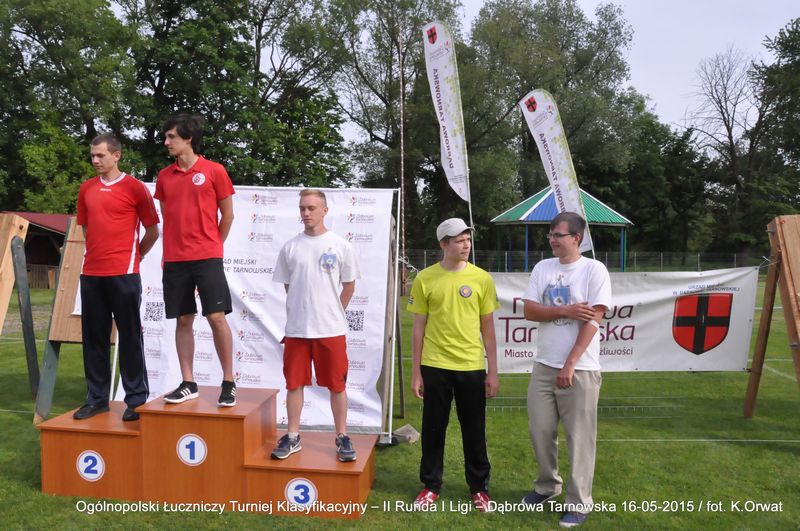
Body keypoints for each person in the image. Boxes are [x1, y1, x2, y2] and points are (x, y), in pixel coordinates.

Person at [521, 211, 612, 528]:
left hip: (580, 369)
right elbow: (530, 311)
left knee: (580, 438)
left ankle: (579, 502)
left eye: (557, 235)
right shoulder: (543, 268)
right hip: (544, 365)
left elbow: (593, 320)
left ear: (576, 238)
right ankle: (547, 486)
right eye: (550, 234)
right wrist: (565, 310)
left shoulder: (594, 270)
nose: (552, 240)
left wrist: (570, 363)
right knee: (540, 430)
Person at [407, 218, 500, 513]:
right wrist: (416, 372)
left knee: (474, 430)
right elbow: (418, 329)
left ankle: (479, 489)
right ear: (443, 244)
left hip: (471, 366)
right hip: (435, 365)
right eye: (459, 240)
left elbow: (488, 329)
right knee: (433, 429)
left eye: (467, 239)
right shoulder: (425, 278)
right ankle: (431, 485)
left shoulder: (482, 279)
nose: (466, 245)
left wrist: (493, 371)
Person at [74, 133, 160, 422]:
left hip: (124, 274)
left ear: (116, 155)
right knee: (94, 339)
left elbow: (152, 231)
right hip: (91, 274)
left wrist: (136, 256)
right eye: (92, 155)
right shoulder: (86, 189)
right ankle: (97, 399)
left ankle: (135, 400)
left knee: (130, 337)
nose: (95, 160)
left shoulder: (135, 188)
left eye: (100, 155)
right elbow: (86, 229)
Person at [270, 189, 360, 462]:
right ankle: (293, 436)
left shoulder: (340, 245)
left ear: (324, 211)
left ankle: (342, 436)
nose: (306, 213)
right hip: (297, 330)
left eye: (311, 208)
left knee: (337, 386)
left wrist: (333, 312)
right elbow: (289, 285)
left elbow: (349, 285)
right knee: (294, 384)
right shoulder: (290, 247)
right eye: (302, 208)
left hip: (331, 330)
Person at [155, 113, 236, 407]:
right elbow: (168, 216)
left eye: (172, 137)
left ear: (188, 138)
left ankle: (229, 381)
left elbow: (228, 215)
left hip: (207, 257)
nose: (167, 142)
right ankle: (188, 383)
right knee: (183, 319)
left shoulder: (215, 171)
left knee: (216, 317)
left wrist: (213, 246)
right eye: (166, 137)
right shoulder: (165, 176)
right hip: (175, 260)